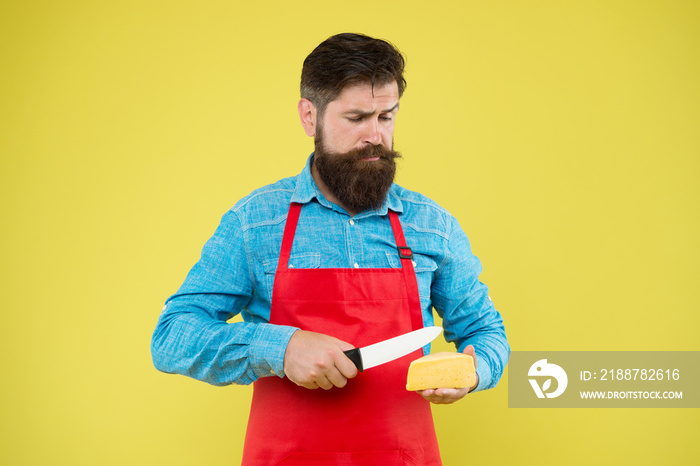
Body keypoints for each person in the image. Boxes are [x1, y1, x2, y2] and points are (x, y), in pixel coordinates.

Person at [152, 32, 509, 465]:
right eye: (356, 118)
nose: (375, 136)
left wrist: (474, 372)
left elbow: (486, 333)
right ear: (309, 117)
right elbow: (172, 337)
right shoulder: (256, 222)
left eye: (387, 116)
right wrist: (279, 348)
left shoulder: (432, 226)